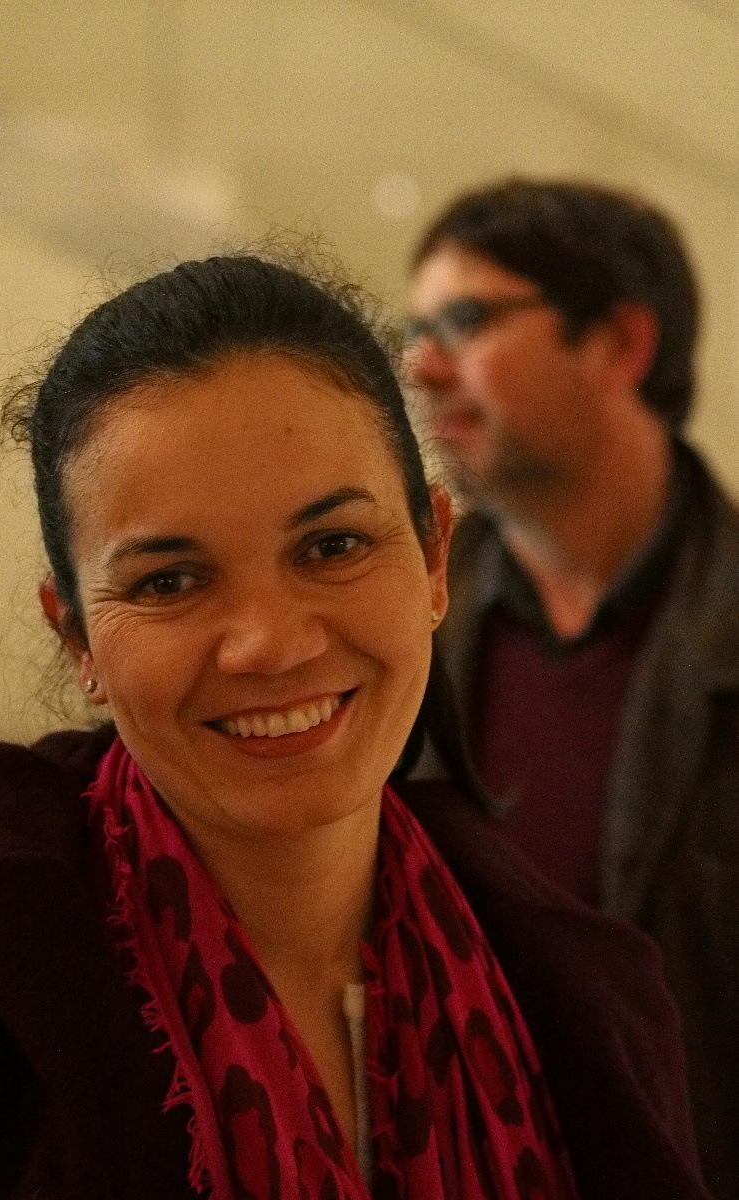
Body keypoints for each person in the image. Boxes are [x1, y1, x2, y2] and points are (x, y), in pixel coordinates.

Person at [0, 254, 710, 1200]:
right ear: (77, 636)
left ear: (433, 559)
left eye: (332, 545)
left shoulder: (592, 998)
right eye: (169, 581)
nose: (270, 644)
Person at [406, 178, 739, 1200]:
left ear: (620, 343)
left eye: (467, 320)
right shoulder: (399, 620)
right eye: (416, 330)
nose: (421, 367)